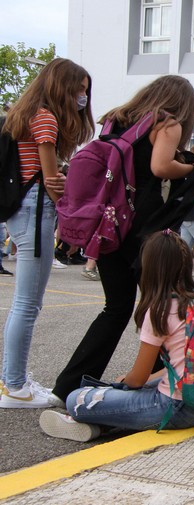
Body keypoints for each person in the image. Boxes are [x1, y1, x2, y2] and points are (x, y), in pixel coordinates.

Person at [50, 75, 194, 405]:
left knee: (115, 308)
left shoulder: (116, 118)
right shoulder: (167, 121)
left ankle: (67, 385)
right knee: (163, 304)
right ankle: (171, 380)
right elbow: (160, 167)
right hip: (143, 231)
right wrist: (190, 168)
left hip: (108, 224)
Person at [39, 231, 194, 440]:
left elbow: (136, 380)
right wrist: (146, 381)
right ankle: (106, 425)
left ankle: (95, 421)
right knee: (140, 388)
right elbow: (181, 368)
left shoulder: (161, 310)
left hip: (178, 408)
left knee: (76, 399)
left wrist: (128, 382)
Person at [0, 59, 95, 408]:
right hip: (35, 209)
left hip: (23, 210)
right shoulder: (46, 118)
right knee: (27, 304)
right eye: (78, 89)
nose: (82, 96)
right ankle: (15, 387)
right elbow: (52, 180)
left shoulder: (28, 113)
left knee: (25, 304)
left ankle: (16, 381)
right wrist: (69, 198)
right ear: (61, 86)